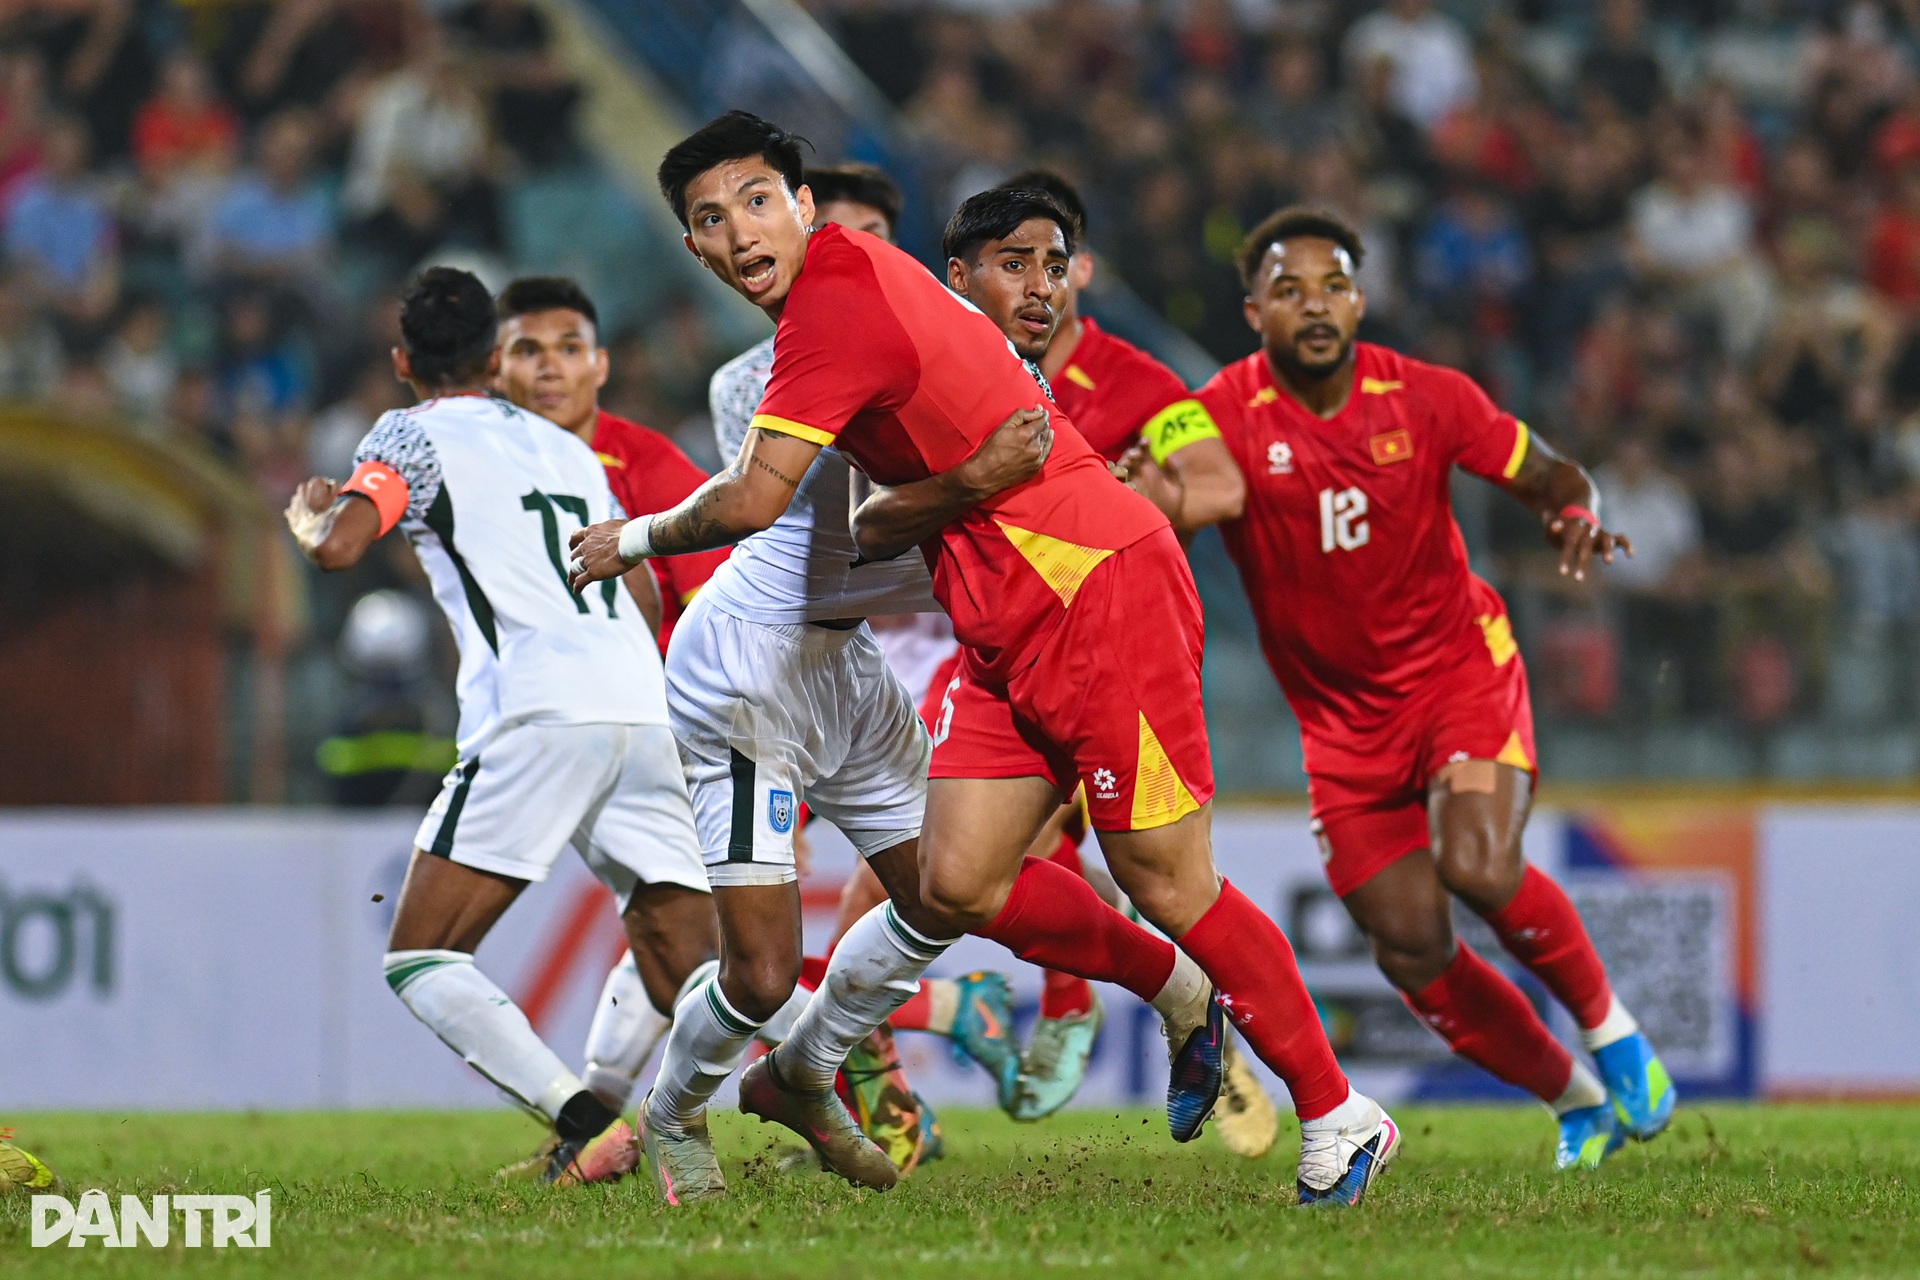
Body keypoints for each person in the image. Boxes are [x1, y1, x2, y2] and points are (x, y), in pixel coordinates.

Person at [569, 112, 1397, 1208]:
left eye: (760, 200)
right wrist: (950, 493)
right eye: (713, 218)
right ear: (695, 246)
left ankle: (1340, 1113)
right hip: (998, 622)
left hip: (1094, 593)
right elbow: (862, 524)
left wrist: (625, 539)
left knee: (1168, 878)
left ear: (803, 207)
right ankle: (1171, 990)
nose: (742, 231)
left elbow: (766, 500)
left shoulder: (833, 304)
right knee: (957, 882)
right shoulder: (843, 304)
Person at [1127, 206, 1674, 1170]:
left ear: (1361, 298)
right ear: (1254, 311)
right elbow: (1173, 508)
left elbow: (1549, 471)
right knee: (1412, 951)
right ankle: (1579, 1101)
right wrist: (1154, 494)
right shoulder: (1213, 415)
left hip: (1458, 672)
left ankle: (1614, 1031)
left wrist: (1576, 510)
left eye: (1332, 285)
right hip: (1340, 729)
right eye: (1288, 291)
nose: (1315, 305)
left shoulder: (1425, 397)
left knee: (1477, 865)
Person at [282, 266, 720, 1186]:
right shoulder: (568, 447)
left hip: (537, 712)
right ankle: (819, 1100)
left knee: (422, 956)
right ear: (494, 358)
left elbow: (345, 546)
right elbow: (636, 583)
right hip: (639, 705)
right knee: (701, 965)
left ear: (404, 362)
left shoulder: (407, 434)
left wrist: (311, 521)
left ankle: (587, 1121)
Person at [941, 173, 1274, 1152]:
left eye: (1057, 260)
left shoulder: (1145, 387)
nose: (1044, 280)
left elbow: (1219, 484)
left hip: (1125, 659)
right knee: (972, 861)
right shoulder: (970, 372)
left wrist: (1144, 498)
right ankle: (1124, 1004)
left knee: (1164, 881)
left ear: (1082, 269)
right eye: (1019, 262)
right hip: (1013, 656)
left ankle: (1138, 1009)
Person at [702, 162, 1022, 1170]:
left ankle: (823, 1079)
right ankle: (884, 1063)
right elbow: (797, 541)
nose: (842, 254)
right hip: (814, 657)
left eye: (870, 233)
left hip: (942, 645)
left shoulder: (961, 351)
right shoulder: (744, 383)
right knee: (745, 922)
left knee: (929, 886)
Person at [494, 275, 728, 652]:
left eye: (569, 350)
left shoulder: (654, 467)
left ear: (600, 366)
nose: (549, 368)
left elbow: (719, 623)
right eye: (527, 351)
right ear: (495, 371)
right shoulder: (487, 477)